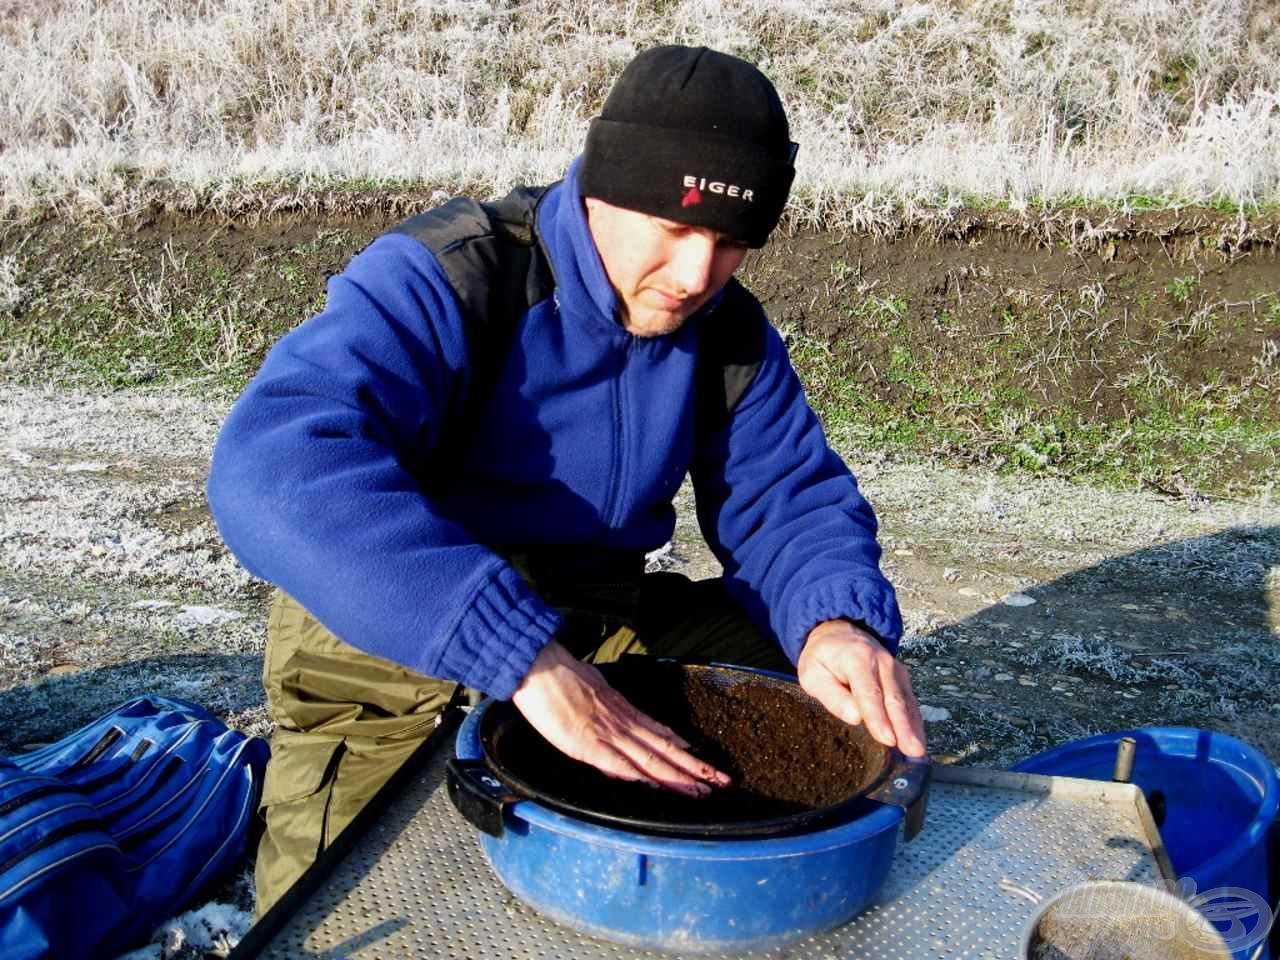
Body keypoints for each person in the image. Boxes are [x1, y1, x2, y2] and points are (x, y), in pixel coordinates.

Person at [207, 44, 926, 917]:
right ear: (602, 191)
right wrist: (513, 652)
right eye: (674, 228)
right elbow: (275, 465)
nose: (697, 275)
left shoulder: (727, 332)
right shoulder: (456, 274)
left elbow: (789, 501)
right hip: (389, 626)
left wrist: (836, 621)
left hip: (591, 614)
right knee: (341, 909)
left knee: (818, 699)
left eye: (732, 243)